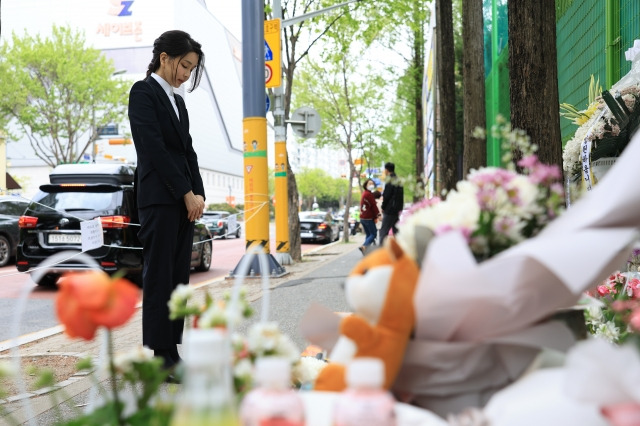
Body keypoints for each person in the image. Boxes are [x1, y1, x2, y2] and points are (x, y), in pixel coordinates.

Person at [128, 30, 206, 374]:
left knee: (178, 277)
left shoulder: (178, 101)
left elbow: (187, 151)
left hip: (184, 201)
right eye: (184, 66)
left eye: (191, 69)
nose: (186, 75)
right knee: (159, 275)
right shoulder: (143, 93)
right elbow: (153, 149)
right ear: (165, 58)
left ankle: (172, 351)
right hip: (160, 199)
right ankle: (160, 356)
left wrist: (199, 192)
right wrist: (184, 192)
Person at [379, 162, 403, 246]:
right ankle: (400, 248)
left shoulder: (390, 180)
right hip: (397, 210)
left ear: (386, 170)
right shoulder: (398, 180)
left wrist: (383, 207)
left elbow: (387, 195)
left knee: (383, 231)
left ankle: (381, 250)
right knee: (396, 231)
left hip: (390, 209)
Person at [359, 178, 380, 255]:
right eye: (369, 184)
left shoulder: (364, 193)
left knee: (368, 234)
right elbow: (373, 206)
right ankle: (364, 246)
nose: (371, 185)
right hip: (368, 218)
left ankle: (366, 251)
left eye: (372, 184)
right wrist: (378, 215)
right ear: (366, 185)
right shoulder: (369, 194)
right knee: (373, 234)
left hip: (363, 217)